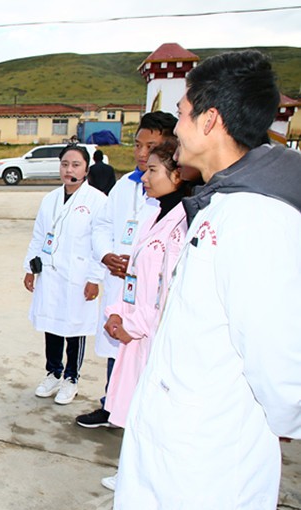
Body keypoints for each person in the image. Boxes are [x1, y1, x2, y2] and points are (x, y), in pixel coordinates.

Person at [114, 50, 301, 510]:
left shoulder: (258, 220)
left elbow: (279, 361)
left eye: (182, 113)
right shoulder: (223, 203)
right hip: (191, 448)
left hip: (217, 456)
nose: (175, 127)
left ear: (210, 120)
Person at [97, 140, 193, 491]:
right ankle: (133, 473)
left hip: (154, 334)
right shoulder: (155, 214)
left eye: (153, 170)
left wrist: (133, 324)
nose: (145, 177)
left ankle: (147, 481)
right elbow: (136, 276)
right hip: (135, 329)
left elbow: (168, 292)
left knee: (156, 413)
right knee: (138, 408)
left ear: (177, 175)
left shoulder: (183, 225)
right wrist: (117, 313)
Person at [76, 112, 177, 429]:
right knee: (116, 346)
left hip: (150, 293)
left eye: (151, 147)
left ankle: (140, 414)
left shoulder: (177, 198)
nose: (141, 153)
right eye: (137, 145)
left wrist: (135, 262)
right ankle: (111, 405)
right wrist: (107, 255)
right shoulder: (124, 186)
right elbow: (102, 225)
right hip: (121, 285)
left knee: (145, 352)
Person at [22, 145, 106, 405]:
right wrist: (29, 268)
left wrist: (95, 278)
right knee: (52, 324)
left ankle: (71, 378)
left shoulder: (97, 201)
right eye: (65, 164)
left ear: (86, 169)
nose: (69, 170)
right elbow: (39, 235)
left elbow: (101, 243)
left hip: (79, 276)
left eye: (76, 165)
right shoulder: (50, 199)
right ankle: (53, 372)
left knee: (75, 327)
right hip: (50, 273)